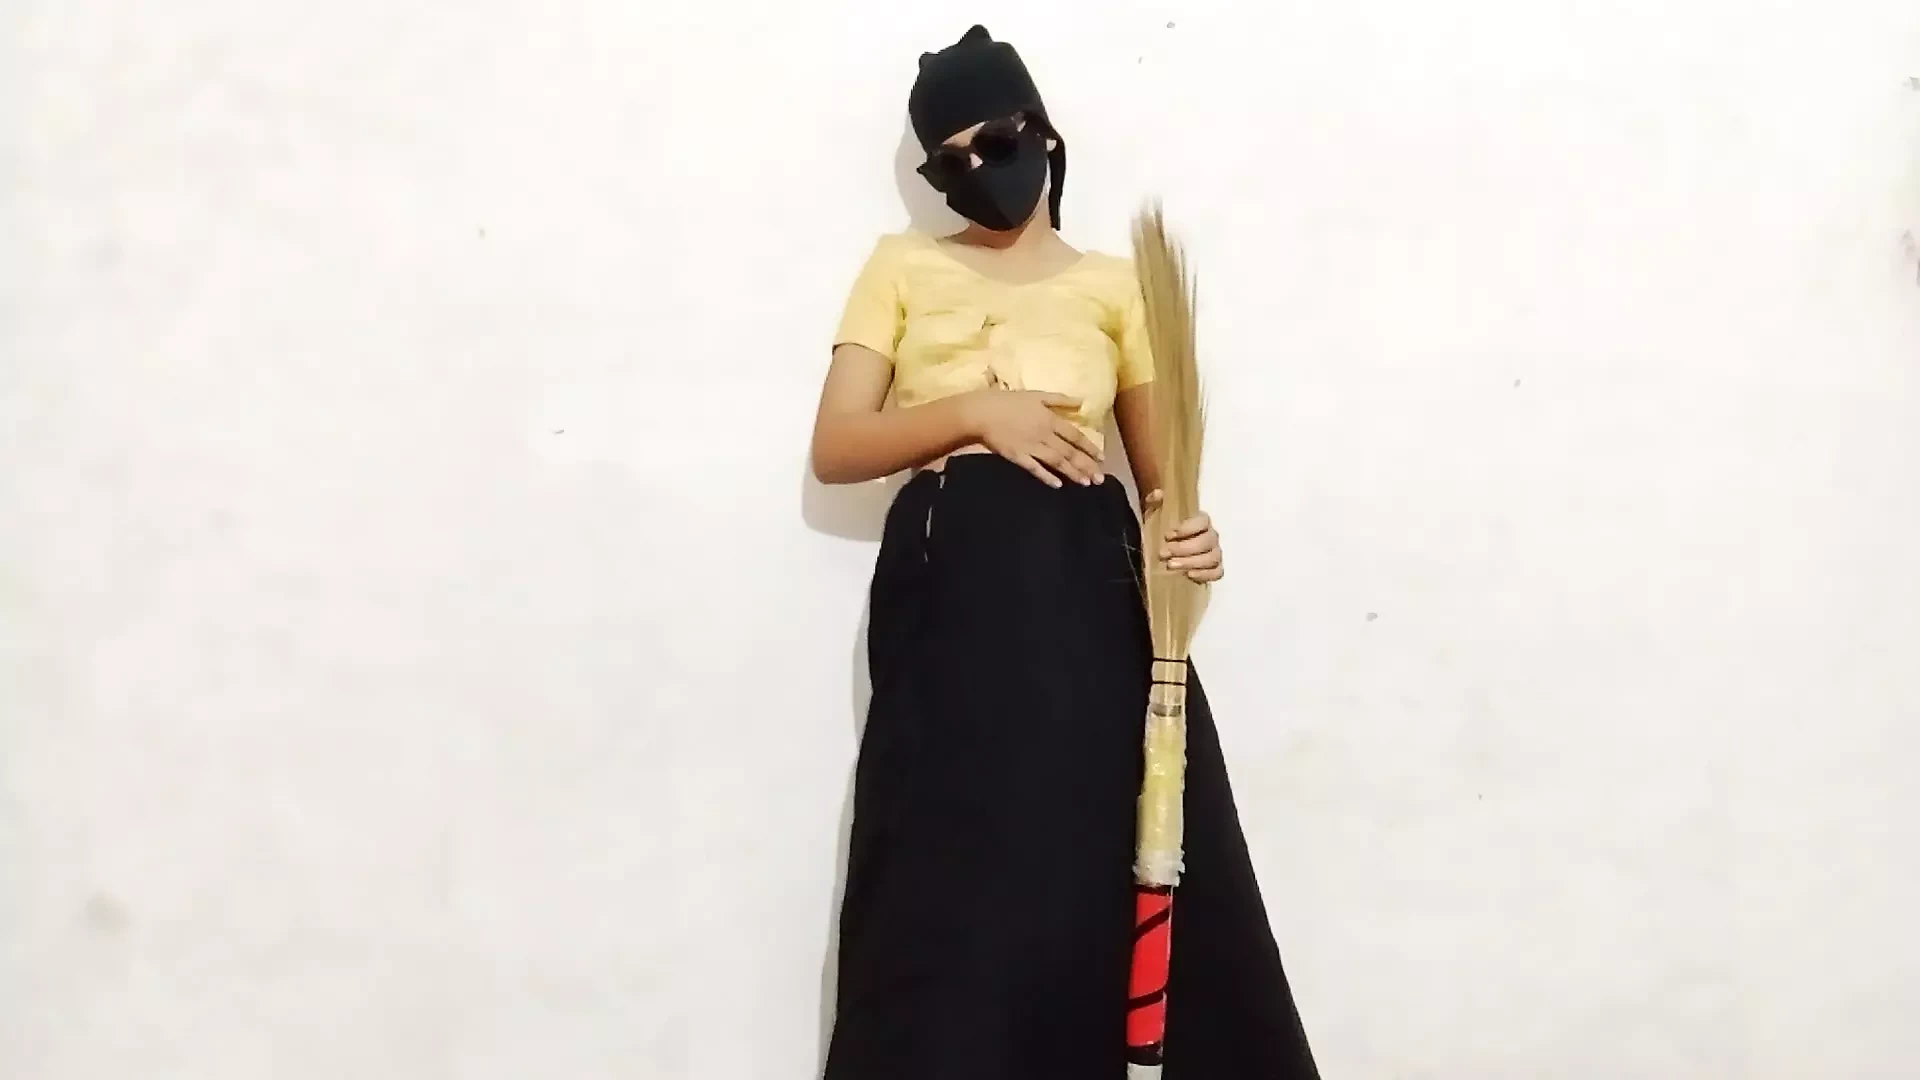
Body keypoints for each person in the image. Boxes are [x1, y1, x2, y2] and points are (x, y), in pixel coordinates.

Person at [812, 26, 1320, 1079]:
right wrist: (975, 412)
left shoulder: (1118, 284)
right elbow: (839, 445)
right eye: (947, 161)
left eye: (993, 142)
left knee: (1103, 836)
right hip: (949, 587)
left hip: (1084, 591)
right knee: (949, 853)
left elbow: (1166, 483)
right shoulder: (903, 265)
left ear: (1042, 134)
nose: (976, 171)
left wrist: (1188, 531)